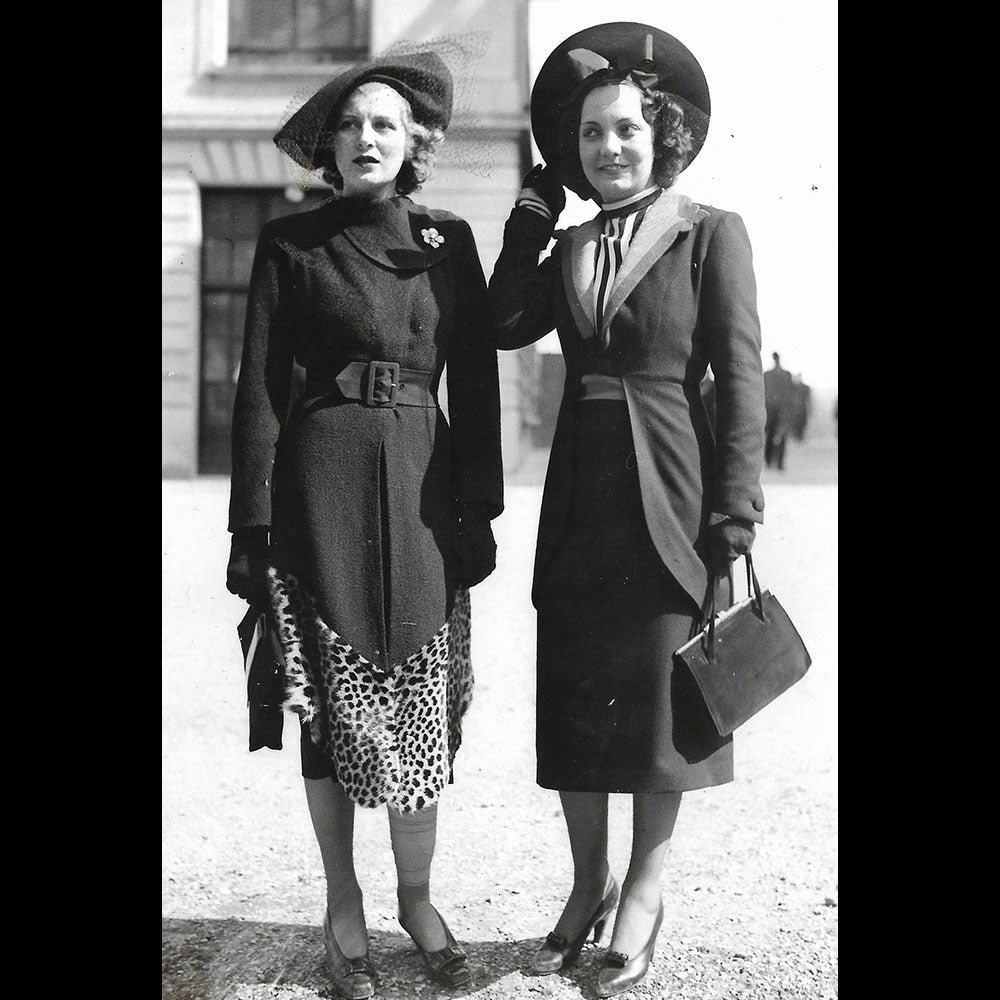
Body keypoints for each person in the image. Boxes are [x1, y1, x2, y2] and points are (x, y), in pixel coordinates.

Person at [488, 22, 765, 998]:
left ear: (663, 137)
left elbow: (738, 381)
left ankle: (643, 886)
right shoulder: (564, 244)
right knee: (572, 699)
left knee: (657, 706)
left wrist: (734, 512)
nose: (609, 148)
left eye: (627, 131)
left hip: (670, 496)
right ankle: (584, 880)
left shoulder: (707, 233)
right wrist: (527, 219)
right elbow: (502, 322)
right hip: (578, 499)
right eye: (591, 134)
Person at [225, 50, 503, 999]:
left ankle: (416, 900)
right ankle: (343, 906)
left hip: (425, 488)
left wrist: (480, 507)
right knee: (330, 712)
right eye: (351, 125)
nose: (368, 138)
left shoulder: (447, 241)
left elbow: (477, 383)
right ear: (330, 146)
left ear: (415, 141)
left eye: (386, 123)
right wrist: (251, 527)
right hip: (319, 488)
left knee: (418, 705)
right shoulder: (289, 244)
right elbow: (261, 391)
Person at [763, 351, 795, 469]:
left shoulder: (784, 375)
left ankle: (777, 462)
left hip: (780, 410)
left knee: (780, 436)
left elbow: (790, 394)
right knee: (771, 435)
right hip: (772, 409)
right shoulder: (769, 375)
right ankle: (771, 461)